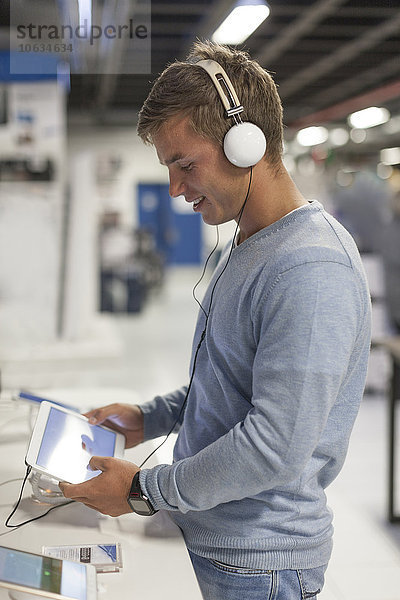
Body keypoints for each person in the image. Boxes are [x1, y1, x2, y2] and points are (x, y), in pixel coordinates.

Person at [60, 41, 372, 599]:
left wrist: (142, 491)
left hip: (256, 563)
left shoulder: (309, 266)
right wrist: (147, 417)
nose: (176, 189)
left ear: (246, 143)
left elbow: (273, 446)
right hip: (211, 536)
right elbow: (229, 382)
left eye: (185, 165)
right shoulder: (248, 244)